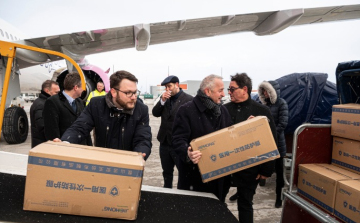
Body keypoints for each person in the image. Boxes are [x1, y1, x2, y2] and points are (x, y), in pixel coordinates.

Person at [57, 70, 152, 160]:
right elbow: (79, 127)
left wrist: (140, 154)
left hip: (128, 164)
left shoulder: (141, 110)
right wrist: (66, 143)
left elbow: (143, 138)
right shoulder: (96, 105)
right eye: (128, 93)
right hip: (102, 163)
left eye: (135, 92)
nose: (134, 97)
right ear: (114, 92)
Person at [225, 73, 277, 223]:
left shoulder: (261, 111)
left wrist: (266, 170)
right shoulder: (224, 109)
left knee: (245, 204)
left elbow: (271, 141)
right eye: (228, 89)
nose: (229, 92)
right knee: (218, 201)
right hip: (225, 167)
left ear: (244, 89)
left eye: (232, 89)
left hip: (250, 168)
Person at [172, 74, 232, 202]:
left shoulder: (223, 111)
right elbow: (177, 140)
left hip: (220, 178)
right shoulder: (186, 110)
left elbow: (230, 135)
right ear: (207, 91)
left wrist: (248, 126)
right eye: (220, 90)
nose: (223, 94)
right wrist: (187, 153)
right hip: (194, 178)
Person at [152, 75, 193, 188]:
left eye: (169, 86)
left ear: (177, 85)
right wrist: (162, 100)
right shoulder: (165, 99)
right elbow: (155, 113)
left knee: (183, 172)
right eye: (166, 87)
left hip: (179, 143)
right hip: (164, 141)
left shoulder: (189, 99)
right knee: (167, 172)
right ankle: (167, 192)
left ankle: (183, 195)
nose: (167, 89)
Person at [258, 80, 288, 208]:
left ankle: (278, 198)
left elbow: (283, 123)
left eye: (266, 90)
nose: (264, 93)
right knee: (259, 169)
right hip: (264, 143)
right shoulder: (262, 105)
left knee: (279, 173)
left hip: (278, 144)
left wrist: (271, 135)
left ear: (272, 91)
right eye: (263, 91)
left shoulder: (282, 103)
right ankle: (241, 193)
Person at [43, 72, 92, 146]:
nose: (84, 89)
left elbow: (85, 128)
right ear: (76, 87)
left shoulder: (80, 102)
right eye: (83, 87)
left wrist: (89, 147)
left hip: (81, 149)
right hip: (65, 149)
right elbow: (51, 130)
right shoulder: (52, 102)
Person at [30, 80, 60, 148]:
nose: (58, 95)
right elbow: (42, 126)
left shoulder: (44, 102)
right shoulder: (42, 105)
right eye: (56, 92)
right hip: (43, 145)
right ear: (47, 91)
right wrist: (54, 137)